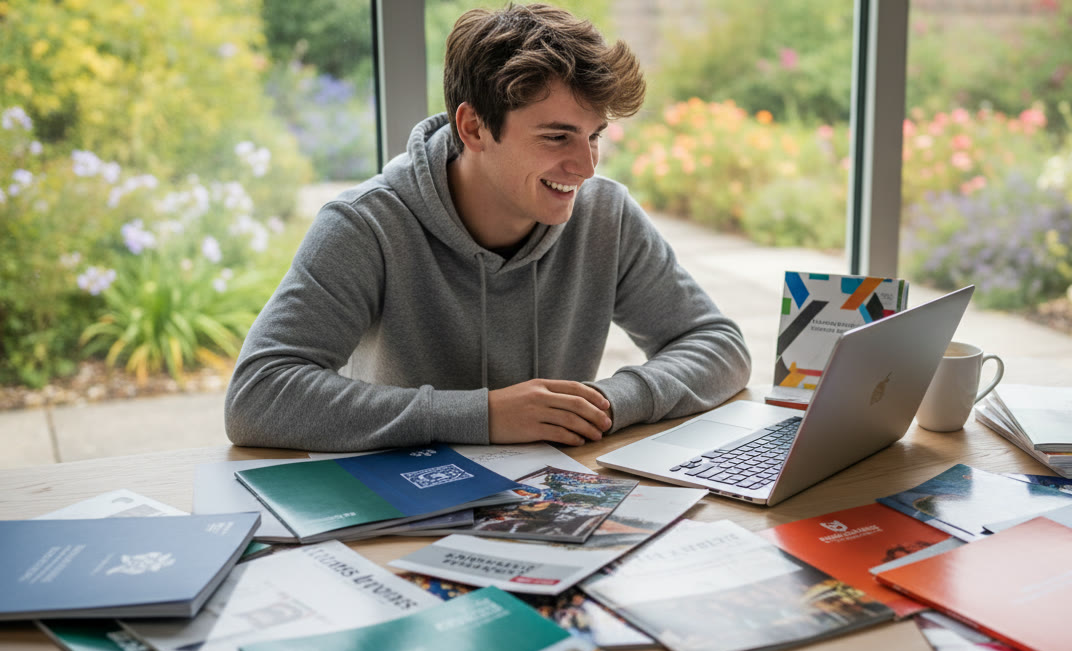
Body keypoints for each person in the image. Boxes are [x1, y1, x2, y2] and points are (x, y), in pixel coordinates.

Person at [224, 3, 750, 453]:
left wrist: (608, 402)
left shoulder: (604, 215)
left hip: (551, 498)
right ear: (473, 127)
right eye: (556, 137)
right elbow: (258, 395)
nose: (587, 167)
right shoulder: (367, 226)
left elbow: (718, 345)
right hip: (406, 512)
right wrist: (485, 416)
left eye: (594, 136)